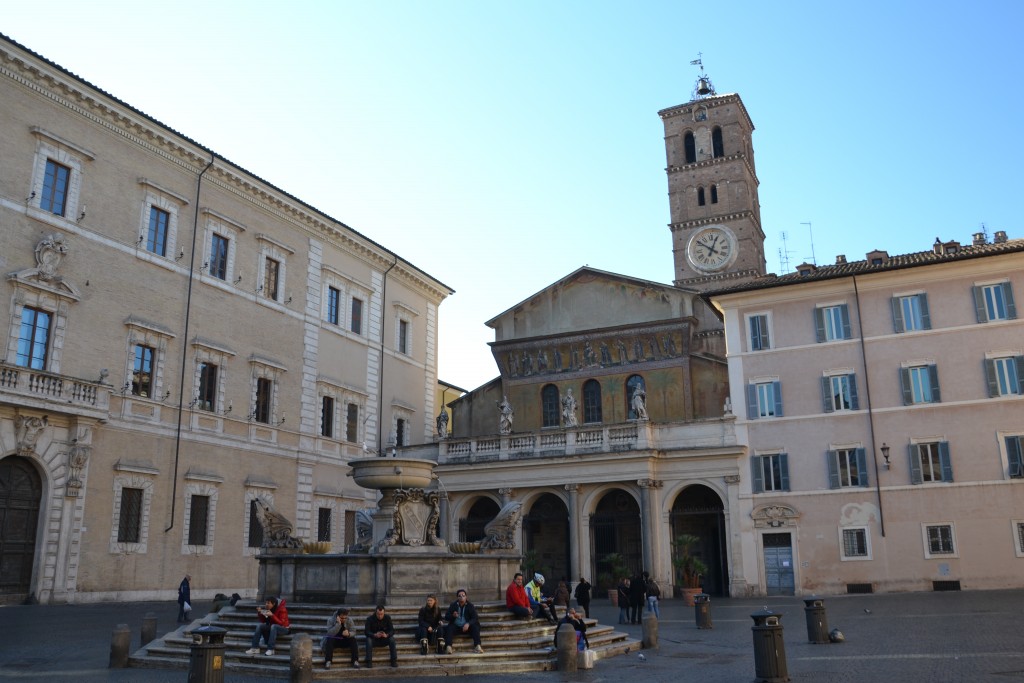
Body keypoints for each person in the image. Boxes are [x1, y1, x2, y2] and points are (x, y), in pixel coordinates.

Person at [443, 588, 483, 654]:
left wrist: (468, 624)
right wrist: (453, 616)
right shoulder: (453, 605)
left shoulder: (470, 605)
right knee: (449, 628)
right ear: (457, 597)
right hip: (456, 626)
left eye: (463, 595)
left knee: (475, 626)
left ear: (466, 596)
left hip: (467, 627)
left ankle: (477, 646)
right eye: (459, 596)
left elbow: (475, 617)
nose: (461, 597)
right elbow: (446, 617)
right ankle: (448, 647)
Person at [364, 604, 398, 668]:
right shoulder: (369, 619)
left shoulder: (387, 618)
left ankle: (394, 660)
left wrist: (387, 635)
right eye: (378, 614)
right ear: (375, 612)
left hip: (384, 639)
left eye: (381, 614)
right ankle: (369, 661)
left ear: (384, 612)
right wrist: (374, 635)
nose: (380, 616)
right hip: (374, 640)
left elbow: (392, 630)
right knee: (368, 640)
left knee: (392, 639)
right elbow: (366, 632)